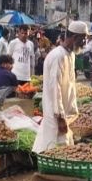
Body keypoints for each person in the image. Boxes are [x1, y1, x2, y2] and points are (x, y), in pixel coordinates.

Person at [33, 21, 88, 153]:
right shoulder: (58, 56)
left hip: (64, 112)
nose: (85, 42)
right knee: (53, 147)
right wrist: (60, 117)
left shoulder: (70, 54)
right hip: (56, 114)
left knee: (63, 148)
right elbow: (54, 89)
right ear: (75, 37)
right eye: (83, 38)